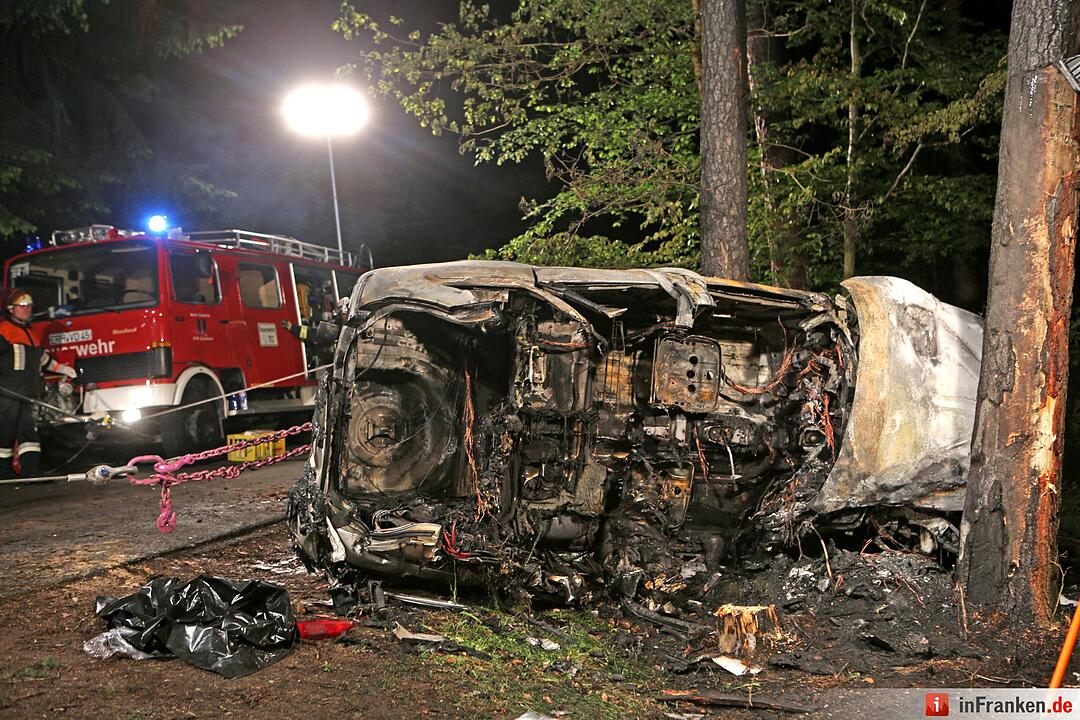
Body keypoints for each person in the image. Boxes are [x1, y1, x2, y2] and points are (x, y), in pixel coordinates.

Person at [0, 290, 77, 479]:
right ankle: (3, 473)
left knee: (30, 434)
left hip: (30, 392)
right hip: (8, 392)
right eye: (22, 306)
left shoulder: (33, 334)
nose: (27, 309)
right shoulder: (3, 330)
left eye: (29, 306)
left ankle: (31, 473)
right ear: (12, 309)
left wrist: (63, 369)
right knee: (4, 433)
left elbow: (42, 359)